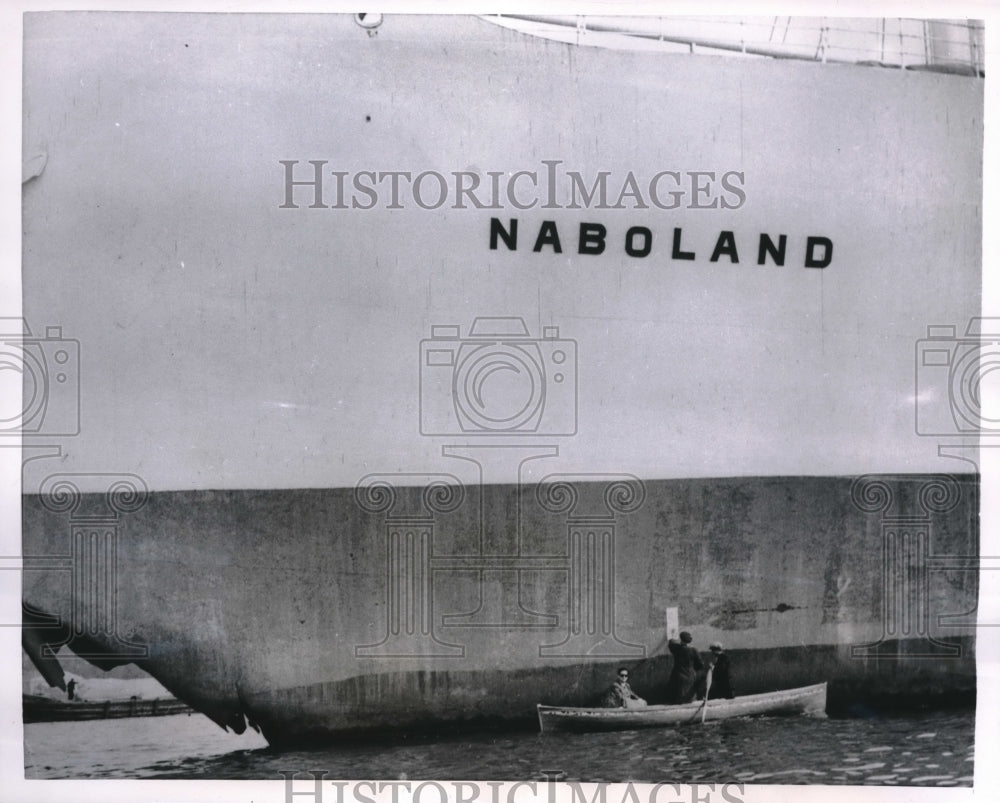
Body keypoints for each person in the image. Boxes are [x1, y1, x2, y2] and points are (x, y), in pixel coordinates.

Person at [664, 631, 704, 703]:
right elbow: (700, 665)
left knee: (677, 696)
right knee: (689, 697)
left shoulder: (676, 648)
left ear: (681, 639)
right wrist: (693, 669)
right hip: (690, 675)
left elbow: (671, 644)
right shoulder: (694, 650)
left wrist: (672, 635)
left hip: (677, 675)